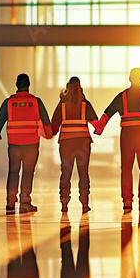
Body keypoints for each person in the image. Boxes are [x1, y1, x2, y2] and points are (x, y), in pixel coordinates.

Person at [95, 67, 140, 213]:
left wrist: (99, 129)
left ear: (129, 78)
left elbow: (107, 113)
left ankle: (127, 201)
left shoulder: (121, 96)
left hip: (127, 135)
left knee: (126, 168)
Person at [0, 73, 53, 214]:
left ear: (16, 85)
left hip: (14, 144)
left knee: (13, 171)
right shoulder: (36, 102)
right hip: (32, 143)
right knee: (28, 172)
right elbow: (46, 122)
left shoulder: (9, 102)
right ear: (28, 85)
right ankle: (25, 202)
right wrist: (50, 135)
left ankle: (10, 202)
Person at [50, 76, 99, 214]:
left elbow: (54, 127)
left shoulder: (62, 105)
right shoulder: (85, 104)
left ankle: (64, 203)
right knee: (83, 173)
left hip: (66, 144)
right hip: (83, 143)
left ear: (68, 88)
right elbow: (96, 123)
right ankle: (84, 203)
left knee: (65, 173)